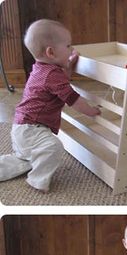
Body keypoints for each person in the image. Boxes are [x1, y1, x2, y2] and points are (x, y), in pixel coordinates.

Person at [0, 19, 100, 192]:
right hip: (32, 129)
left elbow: (62, 80)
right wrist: (91, 111)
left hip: (22, 128)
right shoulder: (52, 75)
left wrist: (69, 65)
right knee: (53, 147)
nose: (71, 49)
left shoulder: (42, 69)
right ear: (51, 52)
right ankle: (37, 180)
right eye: (68, 46)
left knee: (25, 158)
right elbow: (72, 98)